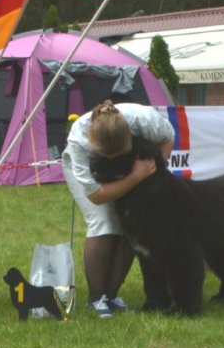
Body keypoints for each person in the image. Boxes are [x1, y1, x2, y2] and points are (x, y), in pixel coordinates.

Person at [62, 100, 175, 317]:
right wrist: (136, 176)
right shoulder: (79, 142)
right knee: (104, 221)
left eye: (118, 153)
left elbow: (167, 139)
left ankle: (111, 297)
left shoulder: (144, 119)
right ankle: (96, 299)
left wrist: (154, 168)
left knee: (128, 226)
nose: (112, 160)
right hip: (94, 178)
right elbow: (96, 196)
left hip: (133, 170)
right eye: (107, 156)